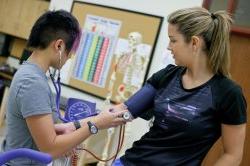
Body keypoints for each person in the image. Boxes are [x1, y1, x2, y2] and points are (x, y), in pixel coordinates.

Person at [113, 7, 247, 166]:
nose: (169, 47)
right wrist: (84, 124)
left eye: (173, 40)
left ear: (194, 42)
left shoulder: (228, 93)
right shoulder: (166, 75)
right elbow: (125, 110)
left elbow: (233, 155)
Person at [1, 10, 126, 165]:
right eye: (71, 51)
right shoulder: (32, 82)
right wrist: (96, 125)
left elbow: (40, 129)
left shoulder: (31, 74)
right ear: (59, 45)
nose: (70, 56)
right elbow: (50, 149)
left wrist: (71, 128)